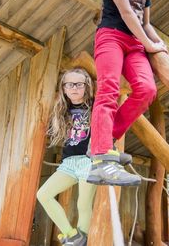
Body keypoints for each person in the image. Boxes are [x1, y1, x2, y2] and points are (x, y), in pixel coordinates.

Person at [87, 0, 167, 186]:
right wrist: (149, 44)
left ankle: (104, 139)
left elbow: (145, 22)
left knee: (147, 90)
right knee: (108, 90)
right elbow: (126, 13)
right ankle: (102, 157)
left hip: (135, 43)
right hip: (111, 35)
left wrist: (158, 42)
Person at [37, 68, 97, 246]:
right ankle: (72, 235)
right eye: (69, 85)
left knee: (83, 204)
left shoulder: (95, 105)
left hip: (89, 161)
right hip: (69, 163)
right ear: (63, 88)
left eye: (79, 84)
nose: (74, 88)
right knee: (43, 194)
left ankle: (82, 240)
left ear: (87, 87)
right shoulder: (62, 109)